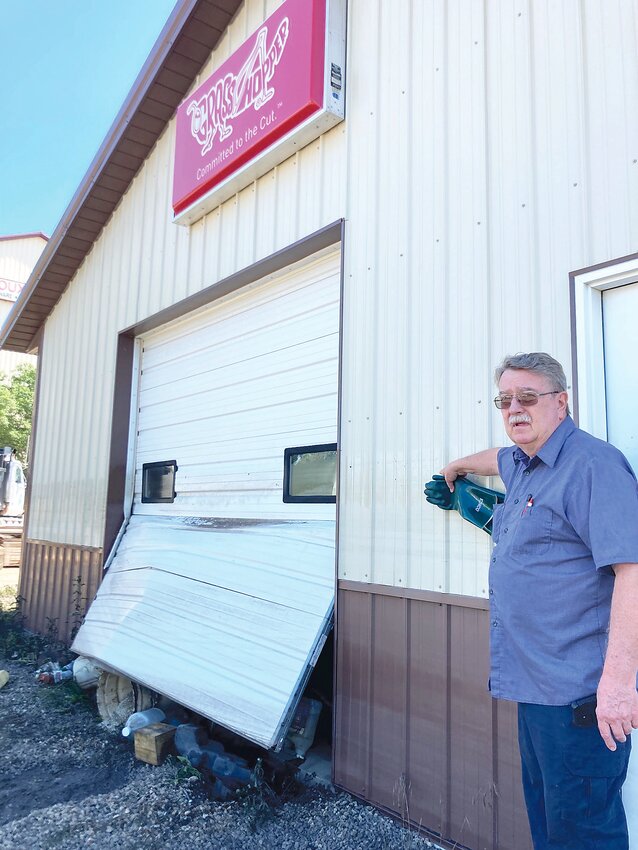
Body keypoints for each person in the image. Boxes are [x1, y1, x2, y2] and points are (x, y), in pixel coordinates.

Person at [439, 352, 638, 850]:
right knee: (552, 827)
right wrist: (456, 467)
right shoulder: (525, 464)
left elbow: (632, 572)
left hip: (580, 697)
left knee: (584, 833)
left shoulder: (593, 466)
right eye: (504, 400)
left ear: (561, 402)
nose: (514, 409)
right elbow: (496, 458)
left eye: (528, 397)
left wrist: (617, 686)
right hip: (536, 691)